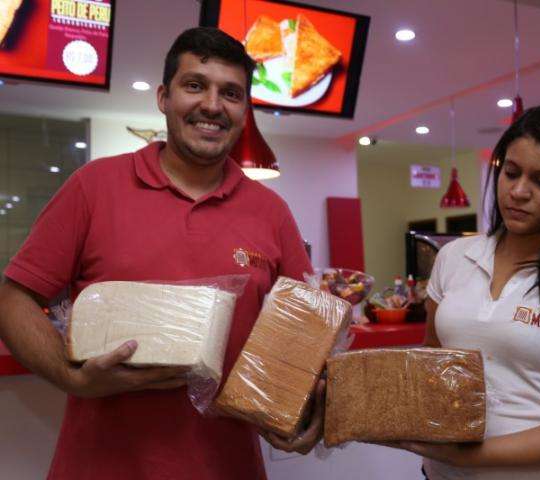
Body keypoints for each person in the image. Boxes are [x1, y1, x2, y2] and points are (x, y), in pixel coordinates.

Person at [0, 27, 322, 480]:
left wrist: (306, 406)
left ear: (245, 109)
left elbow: (307, 330)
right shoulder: (94, 186)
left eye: (231, 93)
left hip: (227, 467)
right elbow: (13, 299)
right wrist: (72, 378)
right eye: (195, 86)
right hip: (99, 466)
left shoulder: (271, 211)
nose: (212, 105)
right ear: (163, 98)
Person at [391, 103, 540, 479]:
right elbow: (433, 359)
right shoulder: (455, 257)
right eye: (510, 173)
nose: (519, 191)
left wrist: (471, 457)